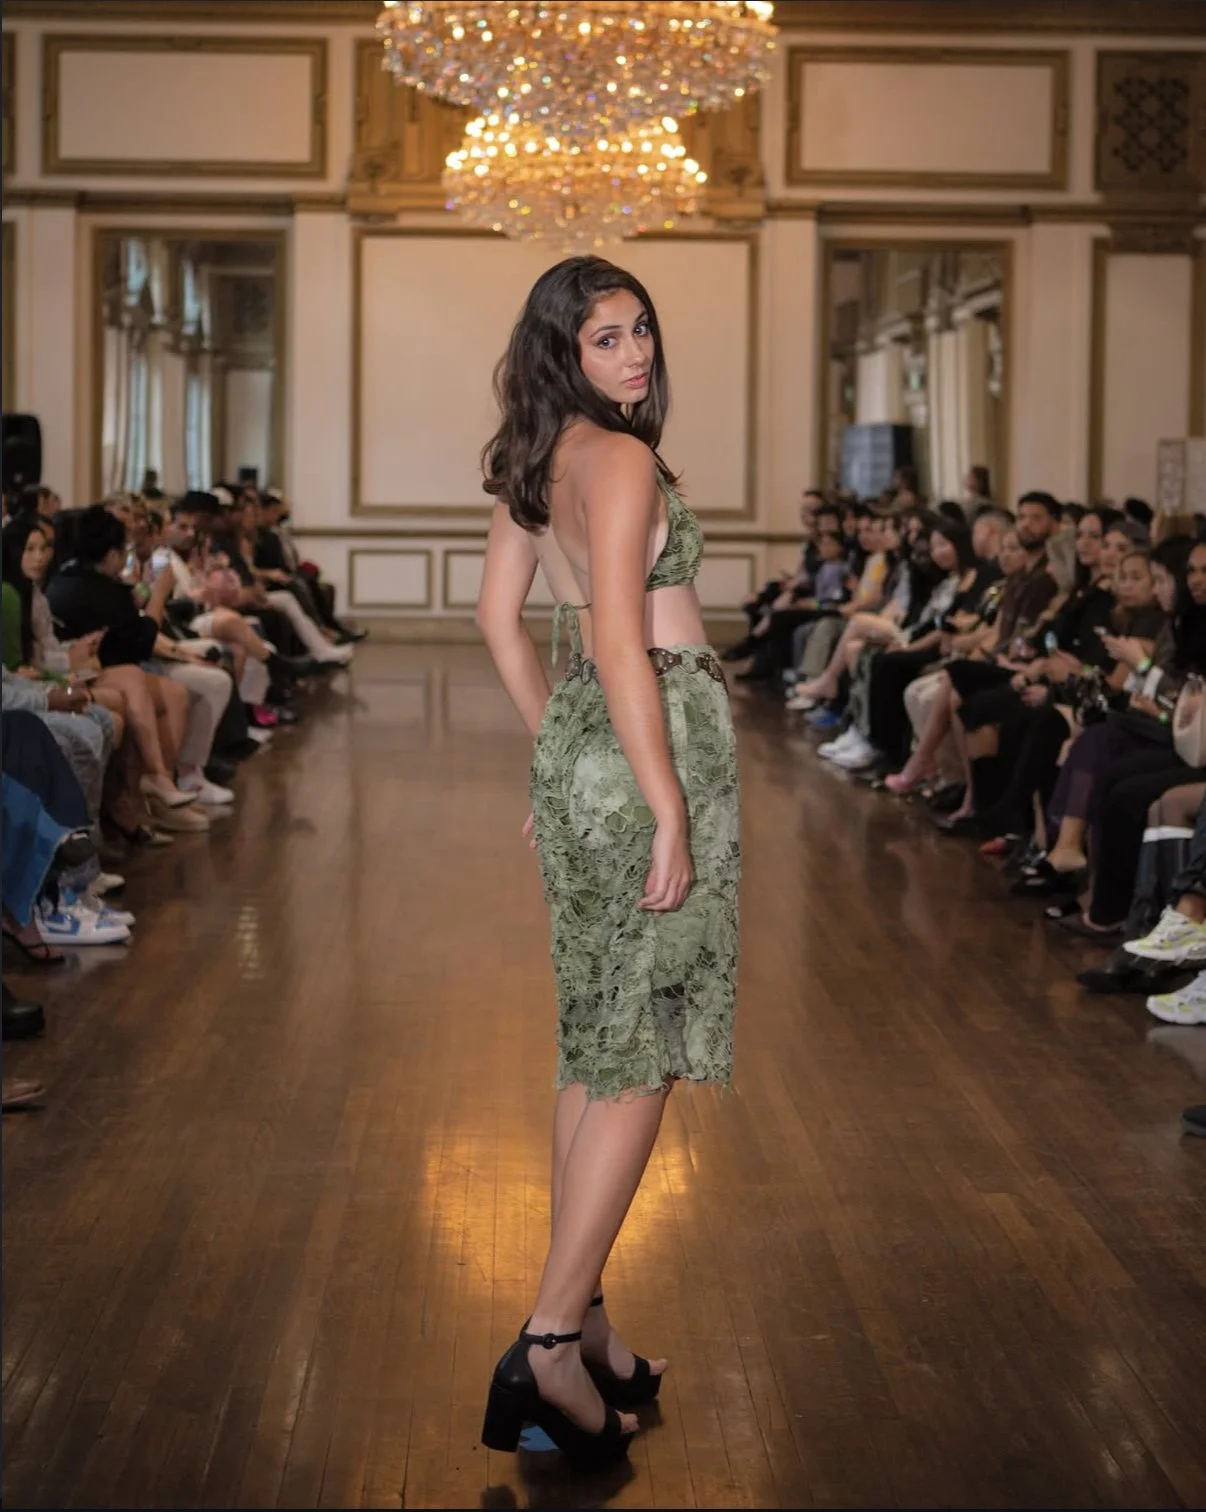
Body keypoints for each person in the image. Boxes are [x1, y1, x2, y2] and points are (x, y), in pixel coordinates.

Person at [474, 256, 740, 1465]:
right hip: (653, 731)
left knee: (595, 1040)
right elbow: (629, 643)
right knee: (644, 1054)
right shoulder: (622, 457)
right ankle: (543, 1347)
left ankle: (588, 1328)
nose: (634, 355)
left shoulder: (538, 459)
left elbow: (498, 620)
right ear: (562, 353)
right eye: (605, 339)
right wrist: (665, 802)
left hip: (589, 737)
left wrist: (563, 758)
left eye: (641, 332)